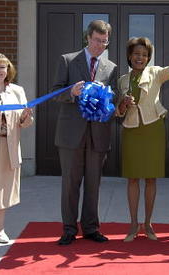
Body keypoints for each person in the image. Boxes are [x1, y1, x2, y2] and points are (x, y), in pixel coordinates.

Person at [116, 22, 169, 242]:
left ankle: (148, 224)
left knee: (151, 179)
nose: (140, 58)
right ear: (130, 56)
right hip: (132, 132)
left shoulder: (155, 73)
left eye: (144, 54)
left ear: (148, 57)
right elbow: (118, 112)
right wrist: (123, 103)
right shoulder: (122, 80)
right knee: (133, 179)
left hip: (153, 130)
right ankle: (133, 224)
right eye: (136, 54)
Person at [52, 20, 117, 245]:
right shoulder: (68, 60)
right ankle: (69, 229)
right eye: (97, 40)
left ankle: (91, 228)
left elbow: (112, 100)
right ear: (87, 38)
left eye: (105, 41)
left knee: (93, 183)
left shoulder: (112, 68)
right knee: (70, 184)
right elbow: (55, 93)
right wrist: (72, 92)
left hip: (98, 134)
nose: (100, 45)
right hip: (71, 134)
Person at [0, 53, 33, 244]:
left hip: (8, 147)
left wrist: (25, 117)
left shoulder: (17, 91)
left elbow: (26, 122)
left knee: (1, 191)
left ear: (8, 70)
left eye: (2, 67)